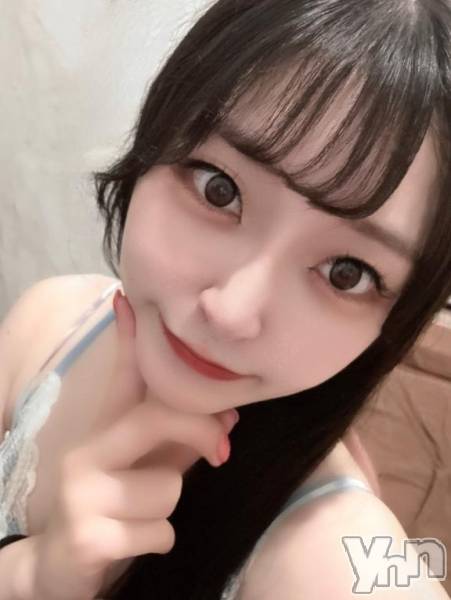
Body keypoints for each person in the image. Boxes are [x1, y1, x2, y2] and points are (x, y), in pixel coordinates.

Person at [1, 0, 450, 598]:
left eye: (347, 273)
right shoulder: (49, 322)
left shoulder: (336, 564)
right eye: (219, 189)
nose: (231, 312)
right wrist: (32, 575)